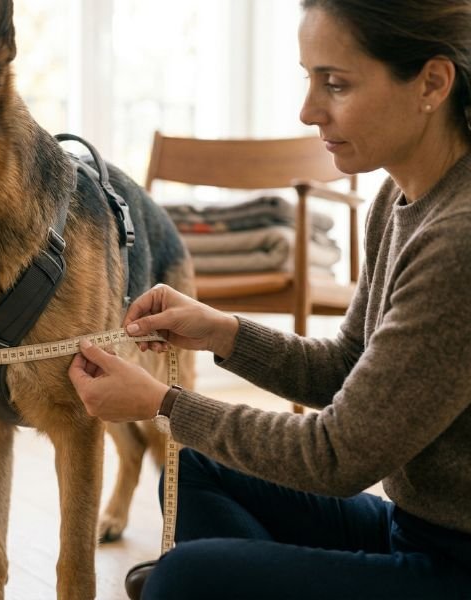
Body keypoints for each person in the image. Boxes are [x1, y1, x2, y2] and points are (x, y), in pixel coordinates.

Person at [68, 1, 471, 598]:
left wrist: (161, 403)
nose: (308, 110)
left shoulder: (458, 240)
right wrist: (222, 331)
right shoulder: (396, 200)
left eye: (335, 84)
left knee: (182, 577)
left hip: (455, 565)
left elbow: (336, 457)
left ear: (432, 84)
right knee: (195, 468)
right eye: (309, 78)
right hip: (409, 530)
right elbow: (347, 368)